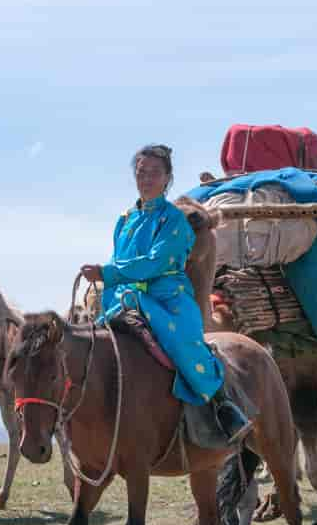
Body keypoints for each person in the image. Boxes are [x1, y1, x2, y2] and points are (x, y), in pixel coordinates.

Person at [80, 144, 252, 444]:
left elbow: (156, 262)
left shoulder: (174, 220)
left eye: (154, 173)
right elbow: (120, 258)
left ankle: (222, 406)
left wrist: (106, 273)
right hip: (124, 299)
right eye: (141, 172)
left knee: (182, 346)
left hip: (166, 300)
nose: (146, 178)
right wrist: (105, 280)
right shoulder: (125, 220)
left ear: (167, 178)